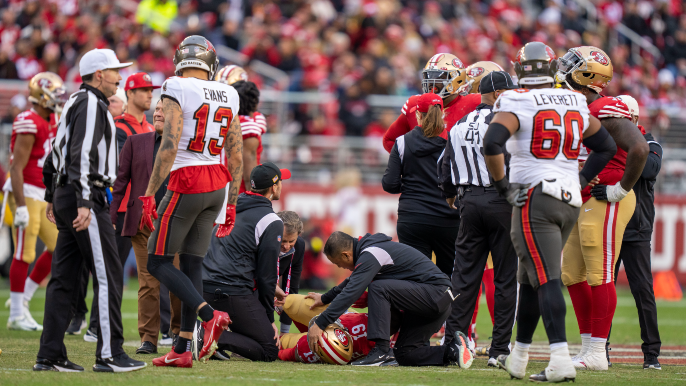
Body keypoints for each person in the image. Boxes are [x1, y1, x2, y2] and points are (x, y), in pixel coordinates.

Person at [484, 42, 618, 383]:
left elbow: (492, 142)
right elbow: (605, 146)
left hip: (536, 197)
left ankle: (560, 359)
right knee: (528, 278)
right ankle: (520, 355)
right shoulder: (574, 99)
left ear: (520, 70)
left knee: (545, 278)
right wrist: (581, 178)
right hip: (569, 199)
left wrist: (502, 187)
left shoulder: (516, 99)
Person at [36, 48, 146, 372]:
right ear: (99, 75)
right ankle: (109, 354)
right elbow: (80, 155)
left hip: (67, 194)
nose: (119, 77)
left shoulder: (74, 100)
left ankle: (49, 354)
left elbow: (55, 154)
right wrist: (83, 201)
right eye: (114, 72)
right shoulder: (92, 103)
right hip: (86, 196)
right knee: (108, 273)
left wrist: (51, 195)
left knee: (64, 279)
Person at [141, 35, 243, 367]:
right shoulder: (229, 91)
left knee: (156, 261)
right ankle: (183, 350)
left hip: (188, 181)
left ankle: (209, 316)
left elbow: (169, 144)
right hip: (217, 184)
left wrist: (148, 193)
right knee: (191, 264)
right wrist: (232, 201)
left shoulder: (176, 86)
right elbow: (236, 152)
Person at [556, 46, 649, 371]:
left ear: (588, 74)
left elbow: (639, 148)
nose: (562, 68)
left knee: (599, 271)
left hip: (606, 195)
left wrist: (621, 188)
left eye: (571, 65)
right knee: (571, 273)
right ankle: (587, 349)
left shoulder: (604, 107)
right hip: (583, 196)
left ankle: (598, 351)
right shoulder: (576, 105)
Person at [438, 71, 519, 367]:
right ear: (498, 93)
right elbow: (513, 161)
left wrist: (449, 193)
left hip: (468, 201)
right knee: (505, 278)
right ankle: (499, 349)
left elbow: (443, 164)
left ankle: (454, 342)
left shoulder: (459, 124)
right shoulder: (505, 123)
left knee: (463, 277)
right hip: (501, 200)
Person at [72, 71, 160, 339]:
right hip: (123, 208)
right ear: (129, 94)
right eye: (143, 89)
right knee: (111, 270)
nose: (149, 94)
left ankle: (162, 328)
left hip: (146, 209)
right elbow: (120, 169)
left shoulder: (151, 129)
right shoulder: (118, 126)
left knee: (149, 275)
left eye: (150, 89)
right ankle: (96, 326)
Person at [307, 231, 473, 368]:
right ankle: (453, 350)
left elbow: (351, 291)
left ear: (346, 254)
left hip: (435, 294)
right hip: (431, 300)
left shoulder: (371, 253)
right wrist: (324, 297)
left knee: (378, 288)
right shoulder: (370, 252)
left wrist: (321, 324)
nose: (341, 268)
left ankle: (381, 351)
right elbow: (351, 282)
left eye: (339, 264)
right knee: (405, 354)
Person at [197, 163, 290, 363]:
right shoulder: (271, 220)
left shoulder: (231, 205)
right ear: (274, 187)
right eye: (280, 181)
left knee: (258, 335)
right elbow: (267, 277)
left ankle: (200, 329)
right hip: (231, 292)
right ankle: (204, 334)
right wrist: (268, 318)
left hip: (205, 288)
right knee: (269, 349)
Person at [110, 99, 181, 355]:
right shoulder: (134, 142)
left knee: (177, 284)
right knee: (148, 283)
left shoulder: (185, 145)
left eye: (165, 109)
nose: (158, 112)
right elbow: (120, 182)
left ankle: (178, 335)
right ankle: (148, 339)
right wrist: (111, 217)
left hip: (177, 224)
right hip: (143, 224)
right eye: (157, 109)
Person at [2, 72, 65, 331]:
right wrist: (21, 206)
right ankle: (16, 313)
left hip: (43, 192)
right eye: (55, 95)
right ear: (42, 96)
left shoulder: (51, 119)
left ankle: (23, 301)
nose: (59, 100)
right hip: (25, 190)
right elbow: (16, 167)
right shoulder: (28, 121)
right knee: (24, 252)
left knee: (58, 245)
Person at [610, 95, 663, 370]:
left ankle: (651, 354)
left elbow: (650, 168)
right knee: (602, 286)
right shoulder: (608, 141)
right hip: (608, 222)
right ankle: (598, 347)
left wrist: (623, 151)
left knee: (642, 290)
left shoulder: (650, 143)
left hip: (637, 228)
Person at [381, 92, 459, 277]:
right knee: (449, 278)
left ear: (417, 115)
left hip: (413, 217)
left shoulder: (401, 143)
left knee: (414, 277)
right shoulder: (453, 141)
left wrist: (411, 186)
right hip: (447, 219)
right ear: (442, 113)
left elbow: (389, 184)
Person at [381, 54, 481, 153]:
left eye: (438, 77)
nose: (430, 82)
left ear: (456, 79)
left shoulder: (474, 102)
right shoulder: (415, 103)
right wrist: (410, 161)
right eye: (428, 76)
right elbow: (389, 140)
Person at [277, 293, 383, 364]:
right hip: (343, 316)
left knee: (281, 343)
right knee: (289, 301)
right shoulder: (387, 288)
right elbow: (353, 285)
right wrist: (327, 297)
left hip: (335, 341)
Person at [215, 66, 267, 194]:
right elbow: (250, 177)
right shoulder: (249, 123)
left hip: (217, 186)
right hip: (237, 192)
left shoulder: (215, 117)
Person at [274, 210, 305, 335]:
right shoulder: (264, 241)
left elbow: (292, 288)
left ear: (298, 235)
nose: (286, 246)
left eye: (291, 241)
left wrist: (284, 332)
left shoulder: (299, 246)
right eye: (283, 241)